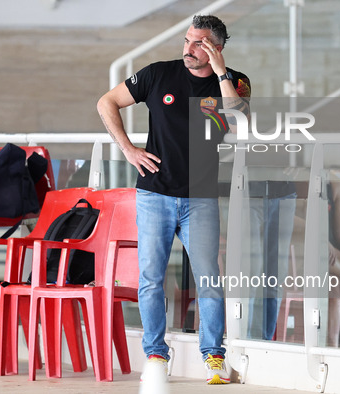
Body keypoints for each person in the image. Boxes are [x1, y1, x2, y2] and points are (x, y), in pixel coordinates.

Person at [97, 15, 251, 384]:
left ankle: (214, 356)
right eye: (187, 40)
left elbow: (238, 120)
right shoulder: (157, 74)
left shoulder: (235, 81)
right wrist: (128, 149)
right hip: (154, 194)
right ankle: (155, 355)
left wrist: (221, 73)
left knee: (209, 279)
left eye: (199, 43)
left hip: (200, 197)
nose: (188, 48)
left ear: (216, 48)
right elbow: (107, 102)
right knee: (151, 279)